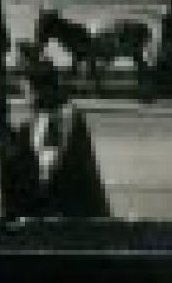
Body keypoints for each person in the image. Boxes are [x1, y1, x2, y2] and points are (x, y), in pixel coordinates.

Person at [24, 63, 111, 219]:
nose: (27, 100)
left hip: (70, 209)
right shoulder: (52, 115)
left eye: (29, 93)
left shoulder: (58, 118)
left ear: (41, 90)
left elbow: (49, 166)